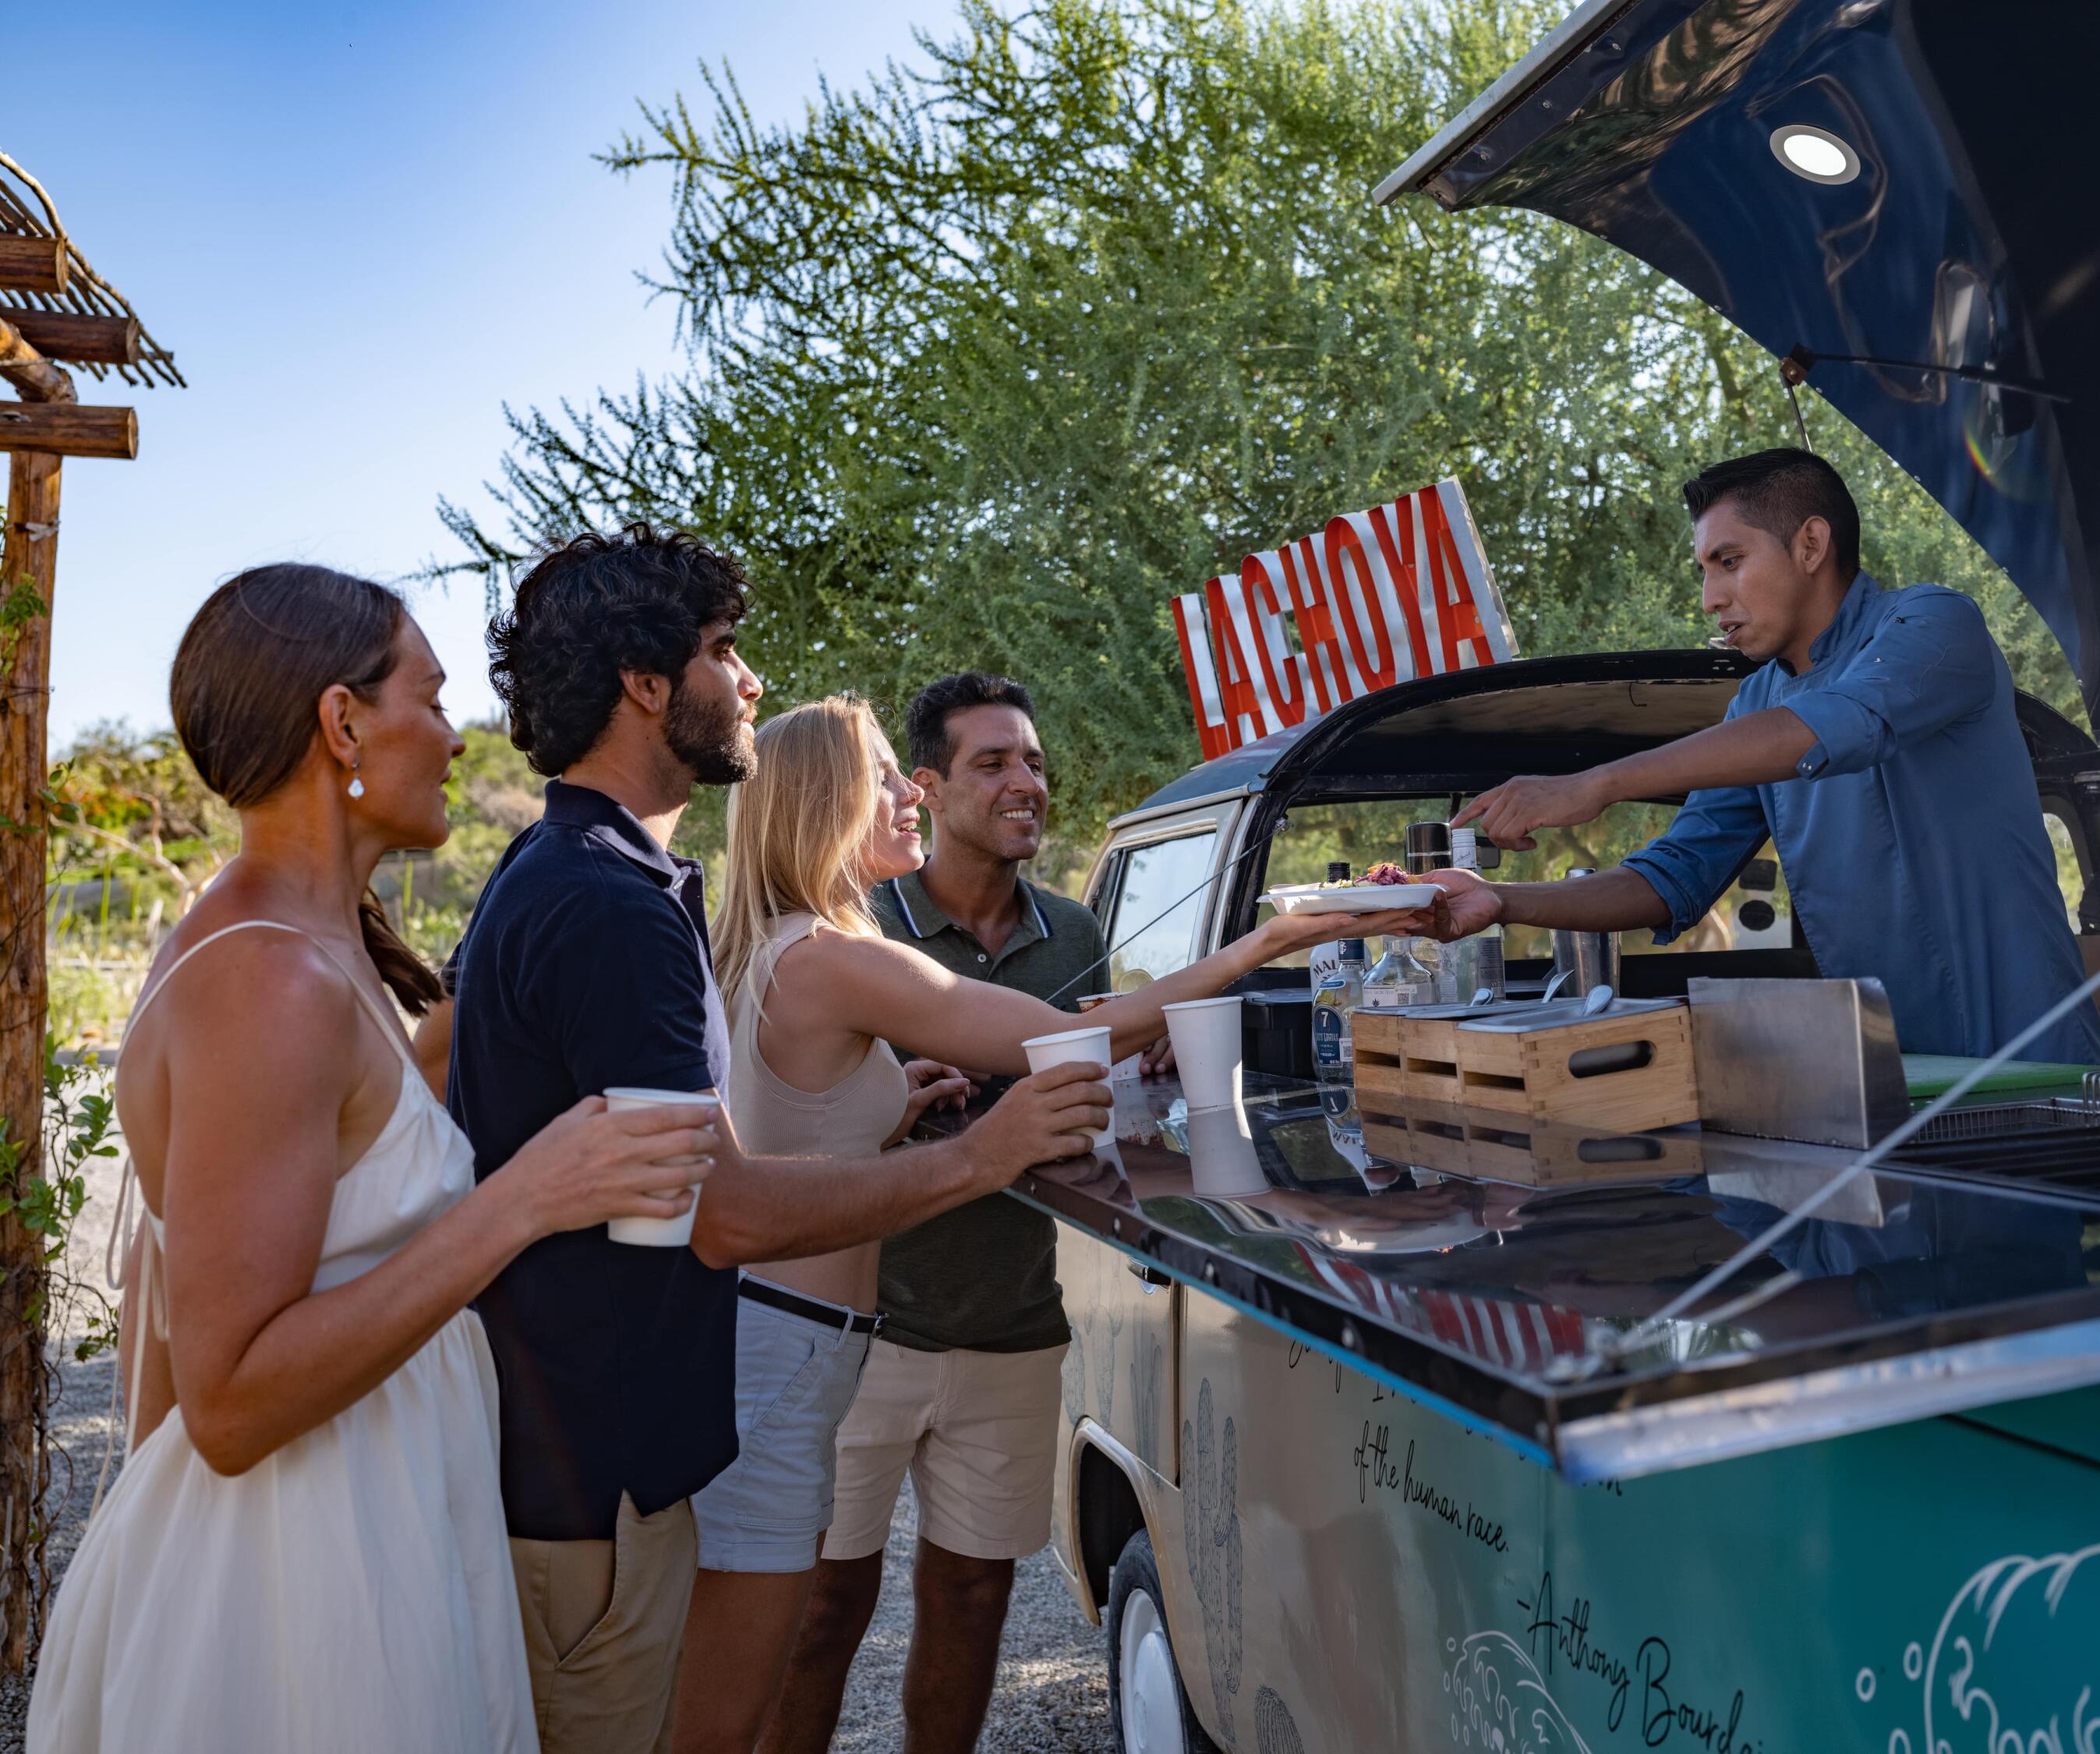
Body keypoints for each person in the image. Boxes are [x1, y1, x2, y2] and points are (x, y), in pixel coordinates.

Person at [426, 530, 1112, 1754]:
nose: (748, 683)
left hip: (596, 1461)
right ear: (646, 682)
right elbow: (723, 1212)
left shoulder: (572, 867)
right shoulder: (609, 901)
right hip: (599, 1482)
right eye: (722, 651)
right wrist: (977, 1155)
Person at [30, 567, 722, 1753]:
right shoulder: (270, 980)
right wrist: (522, 1199)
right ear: (343, 721)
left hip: (370, 1527)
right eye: (433, 699)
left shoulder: (310, 943)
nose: (459, 740)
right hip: (301, 1585)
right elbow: (233, 1401)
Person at [681, 690, 1416, 1754]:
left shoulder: (786, 943)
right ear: (829, 800)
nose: (904, 794)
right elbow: (1076, 1036)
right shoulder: (842, 953)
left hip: (795, 1339)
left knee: (757, 1655)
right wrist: (1284, 933)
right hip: (799, 1350)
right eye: (886, 775)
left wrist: (894, 1092)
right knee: (743, 1686)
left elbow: (805, 1097)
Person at [1434, 449, 2100, 1064]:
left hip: (2033, 1063)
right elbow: (1674, 877)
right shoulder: (1754, 703)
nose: (1709, 600)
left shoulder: (1934, 623)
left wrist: (1601, 782)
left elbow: (1835, 723)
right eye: (1704, 572)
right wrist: (1501, 900)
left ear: (1811, 543)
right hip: (1893, 1074)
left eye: (1729, 562)